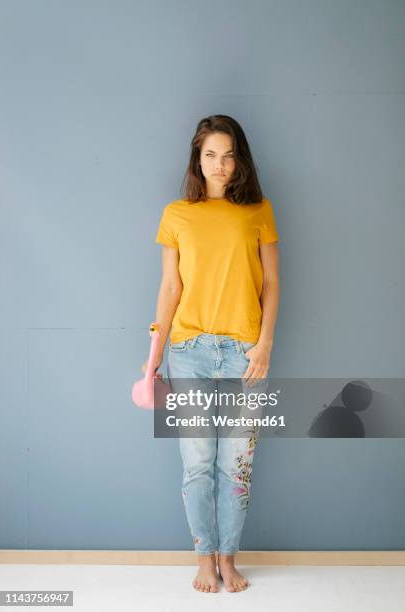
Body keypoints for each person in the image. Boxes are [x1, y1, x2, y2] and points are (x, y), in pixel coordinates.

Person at [142, 114, 280, 593]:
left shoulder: (259, 210)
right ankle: (204, 558)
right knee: (198, 463)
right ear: (197, 160)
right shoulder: (176, 214)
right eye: (210, 155)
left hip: (245, 353)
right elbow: (169, 286)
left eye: (228, 154)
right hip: (189, 352)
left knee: (236, 464)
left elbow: (273, 285)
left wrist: (264, 345)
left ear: (239, 159)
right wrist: (154, 352)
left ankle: (228, 559)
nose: (220, 165)